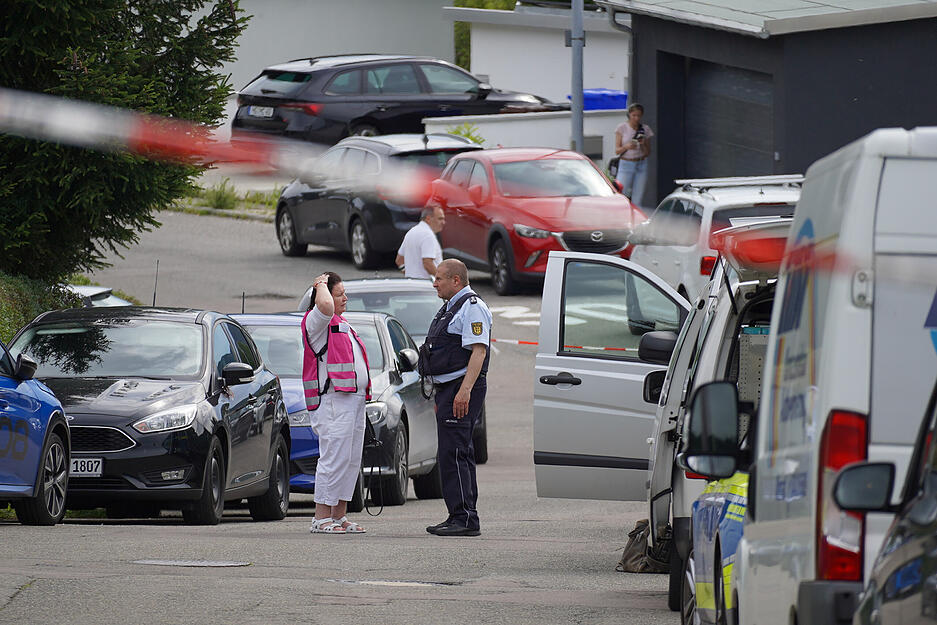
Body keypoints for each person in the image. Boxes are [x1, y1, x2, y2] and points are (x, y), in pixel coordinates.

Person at [419, 259, 491, 537]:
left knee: (457, 452)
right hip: (448, 389)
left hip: (461, 389)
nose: (434, 283)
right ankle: (456, 514)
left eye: (439, 278)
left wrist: (464, 390)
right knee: (450, 452)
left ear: (456, 280)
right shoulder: (451, 307)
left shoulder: (472, 308)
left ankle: (466, 518)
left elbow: (479, 351)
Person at [302, 271, 371, 534]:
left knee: (350, 459)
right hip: (333, 400)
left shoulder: (342, 323)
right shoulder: (317, 320)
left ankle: (339, 515)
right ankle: (321, 517)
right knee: (333, 457)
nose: (345, 298)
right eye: (339, 293)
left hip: (353, 400)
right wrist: (320, 283)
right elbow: (324, 305)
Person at [614, 103, 654, 208]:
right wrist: (626, 146)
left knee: (638, 197)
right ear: (629, 115)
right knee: (621, 193)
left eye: (639, 116)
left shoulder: (645, 129)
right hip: (626, 163)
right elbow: (617, 150)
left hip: (641, 163)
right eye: (634, 115)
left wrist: (642, 144)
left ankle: (636, 219)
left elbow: (648, 152)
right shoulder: (621, 128)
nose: (636, 118)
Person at [395, 206, 445, 279]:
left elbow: (399, 260)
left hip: (412, 284)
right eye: (440, 219)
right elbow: (427, 263)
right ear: (428, 218)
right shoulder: (428, 235)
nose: (443, 222)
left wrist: (409, 275)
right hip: (426, 286)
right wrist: (442, 279)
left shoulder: (411, 232)